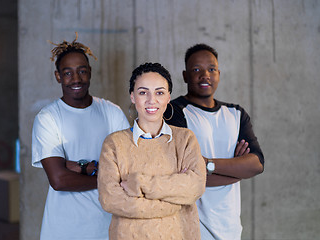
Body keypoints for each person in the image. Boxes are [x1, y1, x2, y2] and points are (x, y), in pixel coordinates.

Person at [31, 33, 130, 240]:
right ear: (58, 76)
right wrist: (98, 171)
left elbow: (127, 171)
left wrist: (77, 166)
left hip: (108, 228)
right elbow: (58, 180)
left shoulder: (111, 112)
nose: (76, 79)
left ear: (90, 72)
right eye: (68, 73)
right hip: (64, 230)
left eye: (82, 71)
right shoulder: (48, 118)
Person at [164, 44, 265, 240]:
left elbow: (257, 164)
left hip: (231, 226)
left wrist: (207, 164)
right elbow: (181, 176)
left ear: (219, 73)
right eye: (196, 70)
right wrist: (236, 171)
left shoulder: (236, 113)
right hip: (191, 227)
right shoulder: (174, 112)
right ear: (185, 76)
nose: (205, 75)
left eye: (211, 69)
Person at [98, 62, 206, 240]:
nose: (151, 100)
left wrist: (139, 183)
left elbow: (195, 186)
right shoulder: (114, 143)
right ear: (132, 96)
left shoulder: (185, 139)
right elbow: (111, 199)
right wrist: (173, 200)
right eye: (142, 92)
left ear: (168, 97)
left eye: (159, 92)